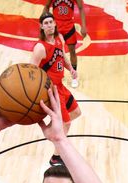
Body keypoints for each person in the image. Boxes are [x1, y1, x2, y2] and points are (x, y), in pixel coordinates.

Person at [31, 12, 81, 166]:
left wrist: (71, 69)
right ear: (41, 26)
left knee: (76, 112)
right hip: (52, 91)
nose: (49, 25)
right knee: (66, 124)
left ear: (54, 23)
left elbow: (63, 57)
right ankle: (56, 157)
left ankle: (55, 131)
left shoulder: (59, 39)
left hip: (61, 86)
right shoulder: (40, 47)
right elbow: (31, 71)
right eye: (45, 23)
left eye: (51, 22)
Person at [41, 0, 86, 88]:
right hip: (56, 25)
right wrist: (42, 22)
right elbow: (46, 6)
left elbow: (81, 8)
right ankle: (51, 75)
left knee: (72, 51)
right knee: (52, 50)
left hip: (69, 25)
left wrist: (83, 26)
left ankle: (74, 76)